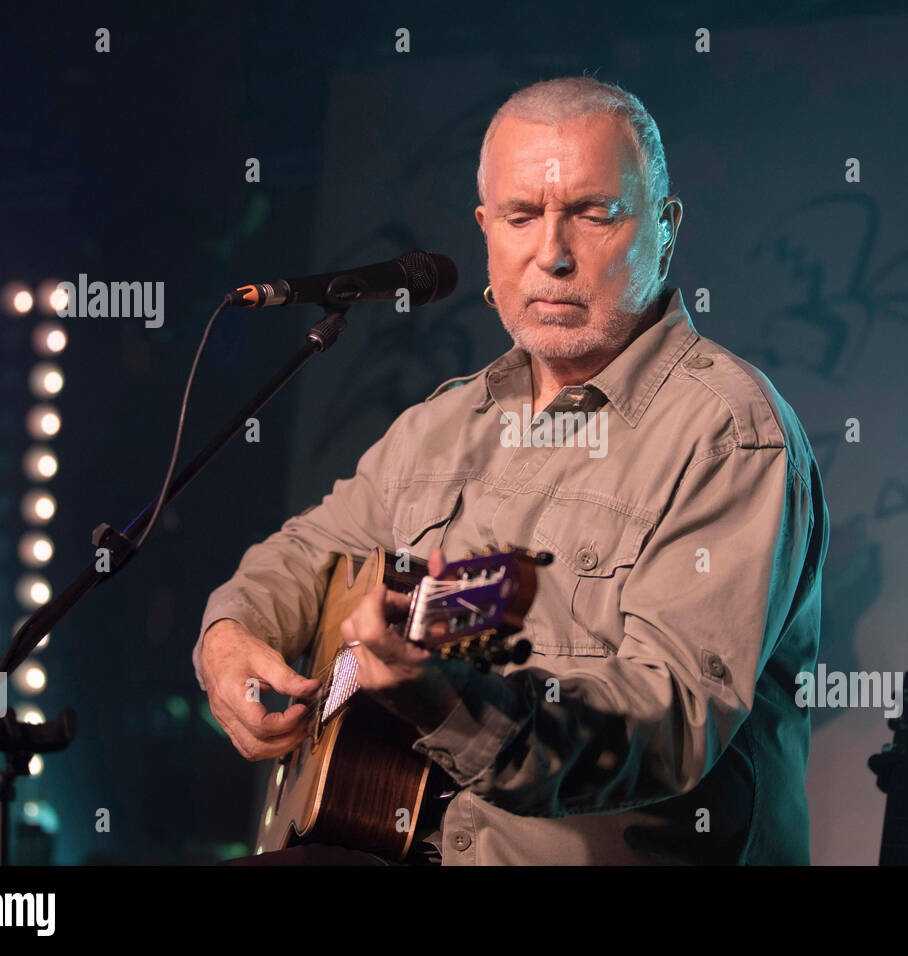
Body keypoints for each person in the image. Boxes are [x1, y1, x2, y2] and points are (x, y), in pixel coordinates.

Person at [194, 76, 829, 865]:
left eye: (595, 214)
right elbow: (306, 553)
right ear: (485, 229)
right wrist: (229, 636)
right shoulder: (443, 423)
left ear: (665, 229)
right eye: (522, 216)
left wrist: (443, 697)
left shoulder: (730, 435)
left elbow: (670, 725)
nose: (552, 255)